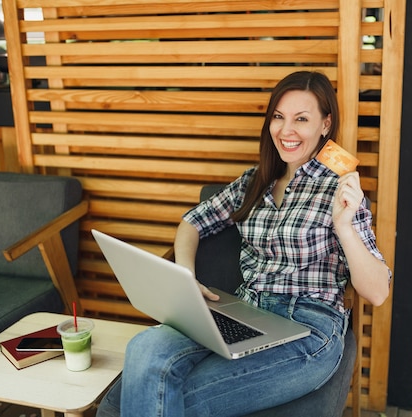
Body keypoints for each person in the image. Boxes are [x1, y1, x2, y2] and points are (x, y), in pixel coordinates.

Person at [96, 70, 391, 417]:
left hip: (307, 329)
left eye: (302, 119)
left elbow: (377, 292)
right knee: (145, 346)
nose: (286, 130)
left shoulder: (340, 190)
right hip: (245, 312)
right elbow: (192, 222)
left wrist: (344, 227)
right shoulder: (256, 181)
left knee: (157, 401)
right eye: (278, 117)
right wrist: (185, 276)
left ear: (325, 125)